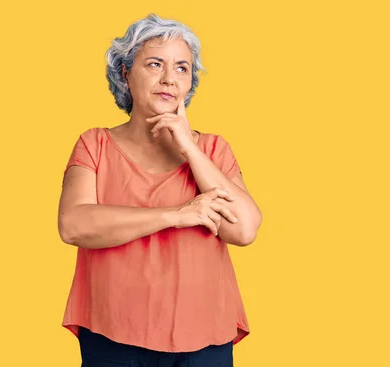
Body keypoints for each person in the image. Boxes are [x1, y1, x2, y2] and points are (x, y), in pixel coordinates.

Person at [57, 13, 262, 367]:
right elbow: (74, 225)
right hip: (113, 334)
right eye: (155, 64)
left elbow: (244, 229)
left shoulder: (213, 150)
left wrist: (188, 148)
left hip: (205, 338)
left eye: (182, 68)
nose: (170, 79)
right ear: (125, 73)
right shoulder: (95, 144)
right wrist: (177, 215)